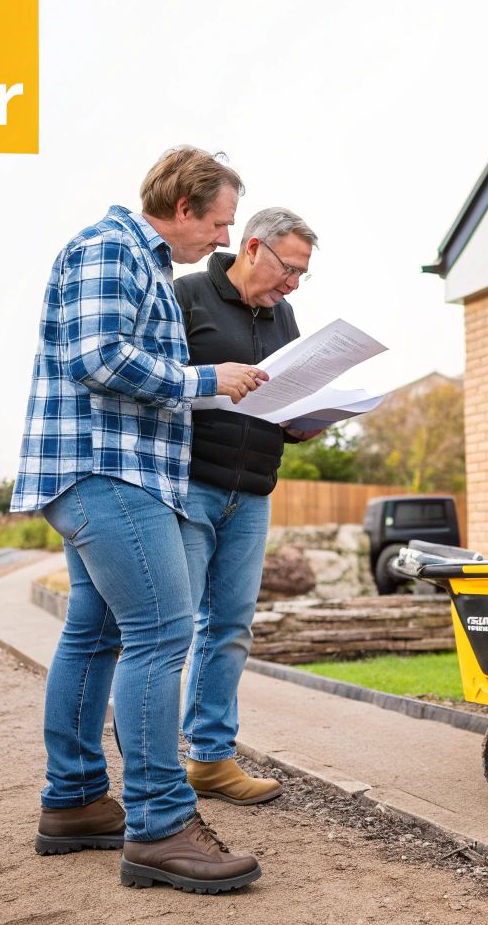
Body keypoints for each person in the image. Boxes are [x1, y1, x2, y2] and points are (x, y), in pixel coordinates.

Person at [10, 145, 268, 894]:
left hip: (116, 472)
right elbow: (97, 358)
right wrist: (204, 379)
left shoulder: (146, 263)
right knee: (161, 634)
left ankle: (78, 802)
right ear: (184, 207)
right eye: (220, 223)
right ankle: (160, 825)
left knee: (96, 635)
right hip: (104, 470)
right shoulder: (109, 247)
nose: (223, 239)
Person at [171, 207, 320, 805]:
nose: (293, 285)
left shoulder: (284, 315)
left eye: (304, 275)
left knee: (230, 628)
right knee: (171, 631)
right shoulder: (187, 297)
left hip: (253, 491)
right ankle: (156, 769)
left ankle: (210, 759)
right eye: (289, 269)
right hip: (188, 485)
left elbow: (280, 401)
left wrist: (306, 423)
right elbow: (161, 384)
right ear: (252, 248)